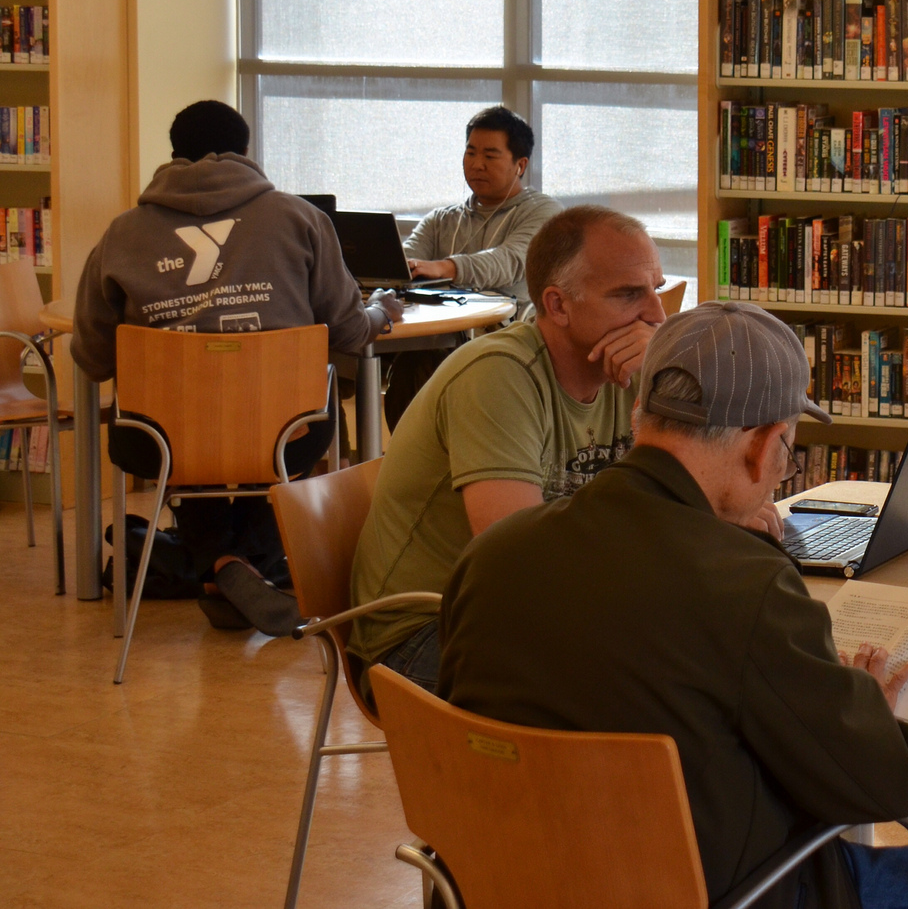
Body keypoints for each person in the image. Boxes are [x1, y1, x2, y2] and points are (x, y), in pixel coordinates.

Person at [434, 301, 908, 909]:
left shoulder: (492, 556)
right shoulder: (747, 586)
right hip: (710, 894)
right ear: (765, 448)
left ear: (641, 415)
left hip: (505, 887)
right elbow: (889, 788)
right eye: (789, 453)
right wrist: (870, 711)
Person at [71, 100, 407, 637]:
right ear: (245, 152)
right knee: (290, 430)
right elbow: (347, 331)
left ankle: (219, 568)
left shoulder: (121, 234)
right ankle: (241, 566)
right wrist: (380, 312)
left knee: (187, 438)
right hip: (284, 430)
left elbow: (90, 359)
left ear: (174, 154)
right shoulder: (300, 220)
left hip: (158, 437)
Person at [348, 204, 663, 693]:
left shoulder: (633, 370)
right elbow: (520, 560)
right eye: (628, 295)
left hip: (539, 618)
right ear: (557, 306)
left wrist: (668, 381)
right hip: (426, 632)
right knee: (662, 692)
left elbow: (699, 497)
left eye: (656, 291)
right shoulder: (498, 376)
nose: (656, 317)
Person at [384, 105, 563, 423]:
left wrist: (446, 267)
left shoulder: (542, 212)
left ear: (520, 165)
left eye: (490, 156)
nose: (476, 164)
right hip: (439, 339)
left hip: (513, 344)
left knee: (419, 364)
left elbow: (509, 261)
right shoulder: (442, 219)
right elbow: (404, 264)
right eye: (470, 153)